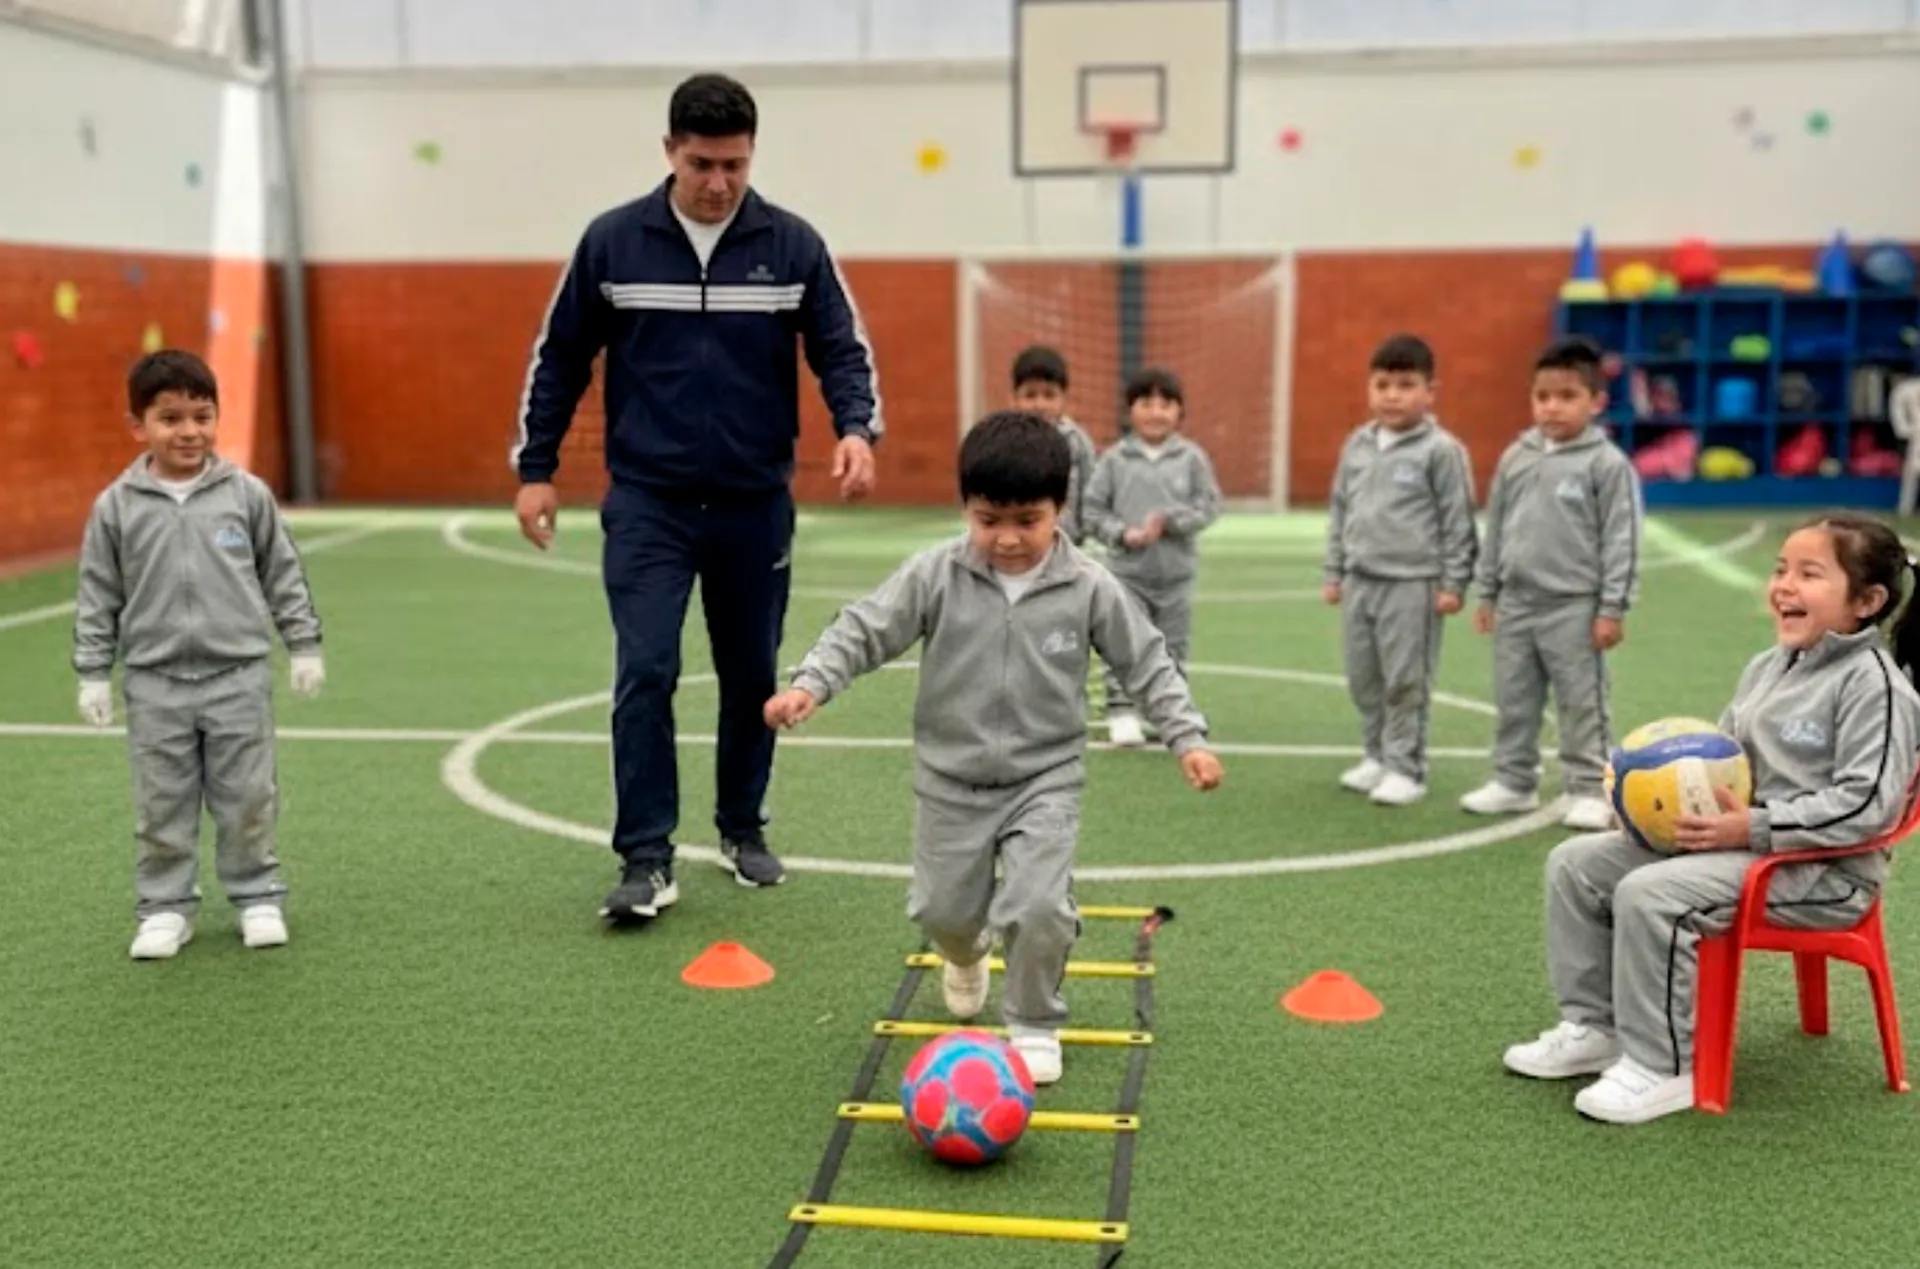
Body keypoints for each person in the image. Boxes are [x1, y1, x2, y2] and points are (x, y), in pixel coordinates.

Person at [510, 72, 883, 925]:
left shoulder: (792, 245)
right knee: (645, 668)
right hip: (649, 502)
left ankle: (742, 827)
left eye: (736, 166)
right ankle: (645, 857)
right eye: (702, 163)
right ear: (669, 150)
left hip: (755, 504)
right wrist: (537, 466)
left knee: (751, 672)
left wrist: (856, 427)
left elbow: (840, 347)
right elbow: (560, 356)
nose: (718, 183)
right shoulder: (613, 243)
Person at [763, 412, 1223, 1084]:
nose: (1006, 538)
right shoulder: (936, 574)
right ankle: (965, 953)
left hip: (1046, 776)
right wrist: (811, 683)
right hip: (951, 779)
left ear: (1060, 509)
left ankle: (1035, 1019)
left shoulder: (1089, 585)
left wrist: (1187, 737)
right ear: (965, 509)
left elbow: (1147, 661)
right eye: (988, 519)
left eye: (1027, 520)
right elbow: (864, 628)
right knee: (943, 911)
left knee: (1038, 905)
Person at [1502, 515, 1920, 1124]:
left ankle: (1666, 1066)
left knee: (1653, 892)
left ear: (1867, 601)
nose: (1784, 585)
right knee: (1578, 863)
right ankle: (1597, 1028)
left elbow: (1866, 807)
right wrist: (1646, 806)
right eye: (1780, 569)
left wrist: (1750, 827)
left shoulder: (1874, 687)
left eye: (1809, 574)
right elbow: (1720, 760)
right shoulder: (1768, 666)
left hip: (1823, 874)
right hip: (1742, 848)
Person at [72, 350, 326, 960]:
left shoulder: (246, 495)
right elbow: (98, 592)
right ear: (139, 426)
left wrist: (303, 643)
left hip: (236, 676)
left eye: (202, 415)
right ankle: (165, 907)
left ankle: (256, 893)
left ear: (217, 419)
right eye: (170, 418)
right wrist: (92, 674)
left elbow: (282, 573)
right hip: (154, 683)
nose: (188, 431)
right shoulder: (118, 506)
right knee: (162, 802)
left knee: (247, 795)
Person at [1463, 336, 1641, 831]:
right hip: (1516, 604)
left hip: (1575, 608)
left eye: (1567, 397)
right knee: (1514, 698)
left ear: (1596, 402)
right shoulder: (1516, 458)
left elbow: (1621, 540)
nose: (1553, 408)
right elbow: (1496, 527)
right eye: (1543, 397)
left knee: (1582, 702)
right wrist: (1488, 592)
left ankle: (1589, 788)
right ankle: (1514, 781)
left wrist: (1612, 608)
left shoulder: (1606, 466)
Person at [1322, 334, 1478, 807]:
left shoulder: (1441, 451)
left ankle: (1406, 767)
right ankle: (1376, 754)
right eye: (1383, 384)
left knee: (1405, 680)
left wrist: (1454, 583)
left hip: (1413, 584)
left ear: (1430, 392)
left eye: (1406, 385)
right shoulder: (1358, 444)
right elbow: (1340, 509)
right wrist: (1335, 570)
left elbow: (1458, 519)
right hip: (1360, 581)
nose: (1392, 395)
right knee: (1363, 677)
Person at [1081, 367, 1222, 748]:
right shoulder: (1114, 459)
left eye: (1166, 403)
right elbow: (1092, 512)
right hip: (1127, 573)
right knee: (1124, 642)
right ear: (1130, 410)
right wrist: (1123, 534)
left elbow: (1209, 506)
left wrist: (1173, 522)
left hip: (1176, 575)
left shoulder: (1192, 458)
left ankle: (1168, 712)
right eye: (1146, 402)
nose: (1156, 411)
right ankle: (1121, 709)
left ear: (1179, 412)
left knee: (1173, 646)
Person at [1010, 345, 1098, 545]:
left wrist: (1085, 531)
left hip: (1068, 542)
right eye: (1030, 395)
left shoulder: (1077, 441)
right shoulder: (1007, 442)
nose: (1040, 404)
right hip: (1021, 544)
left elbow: (1090, 489)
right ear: (1014, 399)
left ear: (1064, 399)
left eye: (1049, 395)